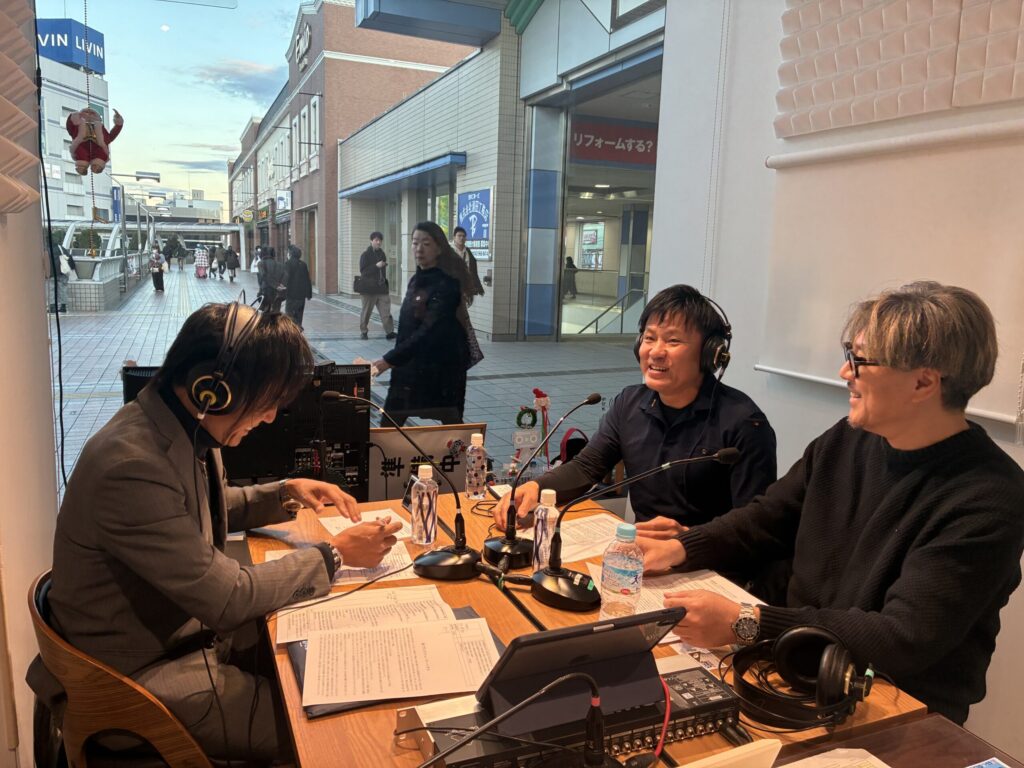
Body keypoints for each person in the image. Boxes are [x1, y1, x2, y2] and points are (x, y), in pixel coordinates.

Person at [27, 303, 403, 763]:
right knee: (337, 730)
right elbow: (227, 598)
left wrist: (286, 492)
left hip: (178, 643)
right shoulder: (131, 465)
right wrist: (334, 555)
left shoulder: (172, 427)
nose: (270, 417)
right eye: (266, 401)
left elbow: (195, 508)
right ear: (214, 389)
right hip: (141, 684)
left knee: (333, 654)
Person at [639, 282, 1024, 725]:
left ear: (923, 382)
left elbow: (903, 637)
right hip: (790, 668)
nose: (845, 372)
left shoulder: (988, 496)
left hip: (895, 708)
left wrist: (749, 621)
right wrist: (683, 547)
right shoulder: (848, 438)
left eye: (860, 361)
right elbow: (767, 517)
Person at [494, 284, 777, 550]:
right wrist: (536, 487)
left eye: (673, 341)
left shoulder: (744, 424)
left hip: (710, 567)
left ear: (709, 354)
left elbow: (756, 527)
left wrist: (689, 541)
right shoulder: (629, 403)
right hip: (640, 557)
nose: (656, 352)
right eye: (649, 338)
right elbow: (586, 467)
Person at [372, 221, 473, 426]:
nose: (419, 249)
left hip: (439, 371)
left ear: (439, 248)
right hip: (409, 370)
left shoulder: (448, 284)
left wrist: (388, 360)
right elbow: (408, 329)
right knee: (388, 429)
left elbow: (430, 330)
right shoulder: (415, 280)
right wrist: (396, 359)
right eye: (415, 242)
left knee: (452, 431)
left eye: (426, 244)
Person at [357, 231, 396, 340]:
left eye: (380, 240)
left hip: (381, 288)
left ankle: (389, 332)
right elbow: (363, 272)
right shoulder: (365, 255)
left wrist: (383, 266)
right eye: (376, 240)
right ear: (371, 241)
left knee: (386, 312)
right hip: (368, 289)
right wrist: (376, 266)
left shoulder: (382, 254)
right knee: (366, 312)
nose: (379, 242)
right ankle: (364, 332)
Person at [451, 226, 485, 299]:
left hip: (465, 288)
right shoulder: (448, 251)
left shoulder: (467, 251)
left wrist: (478, 286)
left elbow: (473, 270)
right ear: (454, 237)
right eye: (459, 236)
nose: (461, 238)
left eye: (463, 236)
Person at [284, 244, 313, 328]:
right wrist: (309, 294)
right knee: (299, 316)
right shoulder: (303, 264)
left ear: (290, 254)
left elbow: (286, 279)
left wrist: (282, 291)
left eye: (288, 252)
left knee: (289, 316)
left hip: (291, 296)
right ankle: (298, 328)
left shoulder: (288, 264)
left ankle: (292, 331)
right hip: (301, 296)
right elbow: (307, 280)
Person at [257, 246, 287, 312]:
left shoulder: (261, 264)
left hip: (265, 293)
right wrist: (281, 285)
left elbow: (264, 276)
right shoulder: (280, 265)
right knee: (276, 313)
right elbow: (285, 277)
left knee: (264, 313)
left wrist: (276, 285)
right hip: (278, 294)